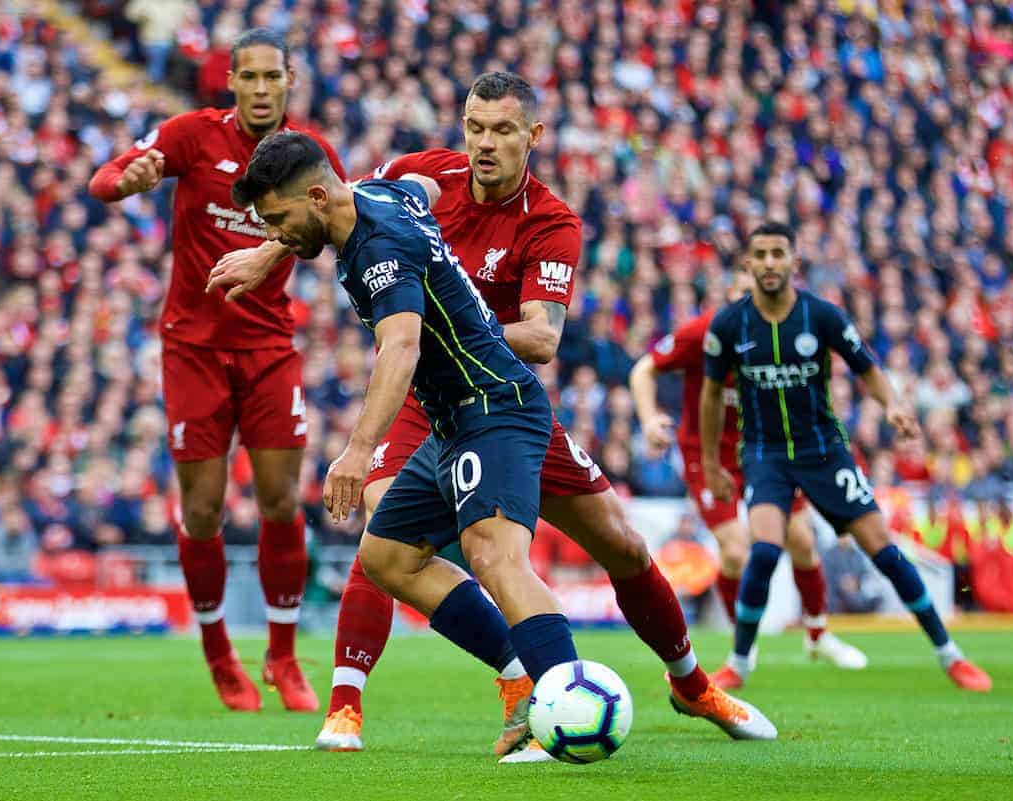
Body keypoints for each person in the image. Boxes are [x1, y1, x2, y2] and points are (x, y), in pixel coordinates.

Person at [211, 72, 775, 758]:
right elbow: (366, 192)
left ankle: (661, 686)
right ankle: (495, 679)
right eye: (474, 128)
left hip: (496, 398)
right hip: (445, 409)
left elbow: (446, 340)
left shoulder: (539, 222)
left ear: (531, 137)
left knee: (570, 549)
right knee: (386, 554)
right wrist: (273, 247)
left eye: (502, 131)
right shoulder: (412, 182)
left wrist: (366, 438)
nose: (482, 144)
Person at [88, 29, 345, 713]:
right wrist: (128, 181)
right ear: (230, 81)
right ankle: (219, 654)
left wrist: (281, 245)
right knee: (202, 510)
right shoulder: (191, 136)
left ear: (290, 79)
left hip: (268, 349)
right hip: (193, 350)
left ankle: (284, 656)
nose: (262, 90)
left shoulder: (311, 156)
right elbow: (104, 178)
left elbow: (337, 231)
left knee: (282, 502)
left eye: (273, 78)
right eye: (250, 78)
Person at [699, 221, 992, 692]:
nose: (770, 263)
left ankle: (950, 655)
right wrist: (713, 465)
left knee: (887, 552)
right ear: (748, 264)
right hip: (764, 454)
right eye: (762, 254)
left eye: (779, 253)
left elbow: (868, 370)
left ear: (795, 260)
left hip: (824, 453)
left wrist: (894, 405)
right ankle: (739, 663)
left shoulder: (824, 316)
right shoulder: (730, 324)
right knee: (765, 551)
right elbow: (711, 396)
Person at [630, 267, 868, 689]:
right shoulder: (703, 332)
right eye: (743, 292)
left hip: (764, 451)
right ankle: (746, 642)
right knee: (737, 552)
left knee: (803, 541)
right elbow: (643, 369)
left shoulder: (781, 334)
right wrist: (649, 420)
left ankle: (818, 635)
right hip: (708, 455)